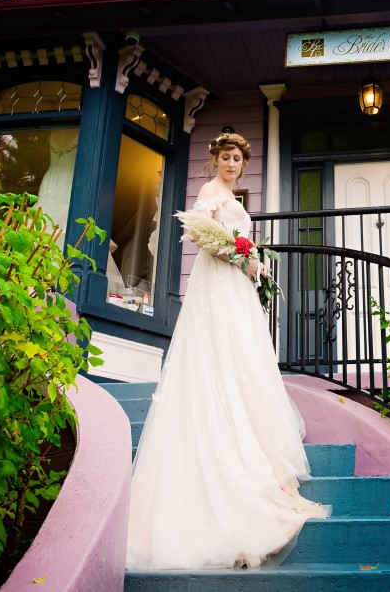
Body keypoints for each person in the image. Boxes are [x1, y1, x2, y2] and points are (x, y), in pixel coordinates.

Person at [125, 131, 329, 570]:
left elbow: (233, 240)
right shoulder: (209, 192)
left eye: (237, 159)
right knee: (216, 357)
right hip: (216, 286)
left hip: (235, 286)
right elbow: (202, 238)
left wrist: (254, 261)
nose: (232, 164)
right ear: (215, 157)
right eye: (226, 157)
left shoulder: (232, 194)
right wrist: (241, 258)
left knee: (241, 360)